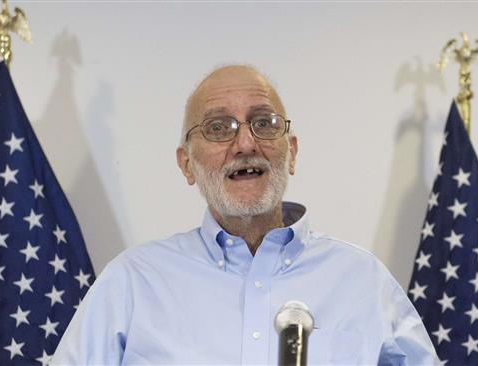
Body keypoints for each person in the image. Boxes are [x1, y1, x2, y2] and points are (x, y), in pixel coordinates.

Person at [49, 65, 439, 365]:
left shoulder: (363, 281)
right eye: (219, 127)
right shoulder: (132, 283)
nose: (246, 142)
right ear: (187, 165)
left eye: (264, 123)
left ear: (292, 153)